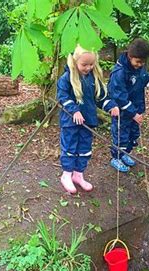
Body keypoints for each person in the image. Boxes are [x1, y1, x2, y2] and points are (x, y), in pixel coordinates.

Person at [57, 45, 119, 193]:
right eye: (84, 65)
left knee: (84, 148)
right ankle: (66, 175)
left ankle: (78, 174)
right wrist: (74, 111)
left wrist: (110, 106)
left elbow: (101, 97)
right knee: (70, 147)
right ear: (75, 61)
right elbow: (63, 97)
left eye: (91, 64)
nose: (88, 68)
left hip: (88, 121)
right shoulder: (67, 78)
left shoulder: (93, 78)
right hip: (70, 122)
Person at [108, 38, 149, 172]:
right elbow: (119, 97)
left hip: (136, 110)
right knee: (121, 135)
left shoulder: (139, 68)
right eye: (138, 62)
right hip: (124, 112)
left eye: (143, 62)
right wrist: (132, 113)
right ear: (130, 56)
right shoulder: (119, 73)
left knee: (133, 135)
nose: (140, 65)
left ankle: (125, 154)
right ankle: (116, 157)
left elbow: (145, 79)